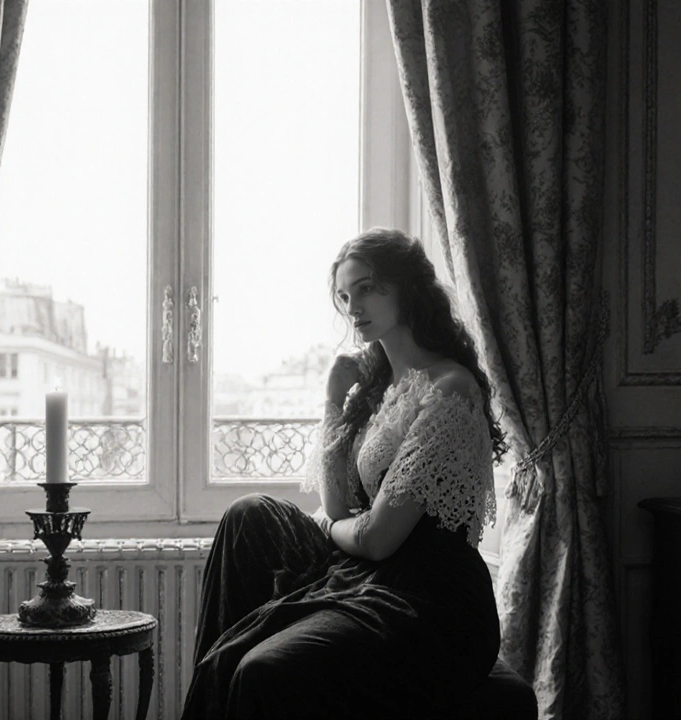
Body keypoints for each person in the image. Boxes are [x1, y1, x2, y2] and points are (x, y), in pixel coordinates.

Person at [181, 227, 509, 719]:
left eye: (368, 288)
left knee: (261, 668)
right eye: (344, 294)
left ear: (408, 288)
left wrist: (329, 529)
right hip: (371, 572)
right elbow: (337, 504)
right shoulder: (378, 388)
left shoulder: (450, 389)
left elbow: (375, 537)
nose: (353, 306)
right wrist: (335, 400)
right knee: (247, 516)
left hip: (431, 600)